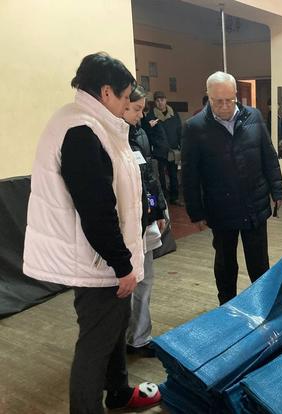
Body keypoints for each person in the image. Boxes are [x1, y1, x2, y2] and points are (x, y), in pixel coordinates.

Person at [23, 53, 161, 412]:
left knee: (114, 330)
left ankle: (118, 392)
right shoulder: (80, 130)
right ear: (106, 91)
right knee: (95, 345)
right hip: (97, 261)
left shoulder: (96, 124)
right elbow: (96, 210)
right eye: (125, 96)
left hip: (105, 257)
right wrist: (122, 265)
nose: (128, 104)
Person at [181, 71, 282, 305]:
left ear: (236, 95)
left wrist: (277, 190)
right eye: (218, 101)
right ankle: (227, 306)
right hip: (221, 207)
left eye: (230, 99)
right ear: (208, 97)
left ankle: (263, 303)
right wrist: (195, 212)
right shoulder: (194, 127)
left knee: (259, 260)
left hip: (255, 202)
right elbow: (190, 174)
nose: (225, 106)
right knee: (225, 262)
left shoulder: (253, 116)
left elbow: (268, 156)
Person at [123, 86, 167, 358]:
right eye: (137, 109)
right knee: (124, 286)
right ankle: (118, 341)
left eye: (142, 109)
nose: (141, 115)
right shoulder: (106, 138)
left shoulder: (139, 134)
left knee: (145, 279)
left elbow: (149, 176)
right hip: (124, 225)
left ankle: (139, 338)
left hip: (145, 219)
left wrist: (158, 210)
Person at [144, 90, 182, 204]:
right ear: (155, 102)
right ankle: (163, 198)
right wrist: (149, 127)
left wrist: (181, 146)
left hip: (173, 150)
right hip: (158, 151)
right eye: (157, 100)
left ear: (166, 100)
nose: (160, 102)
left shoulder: (174, 114)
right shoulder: (151, 116)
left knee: (173, 174)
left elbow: (179, 131)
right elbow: (147, 134)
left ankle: (174, 197)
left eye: (162, 100)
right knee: (160, 177)